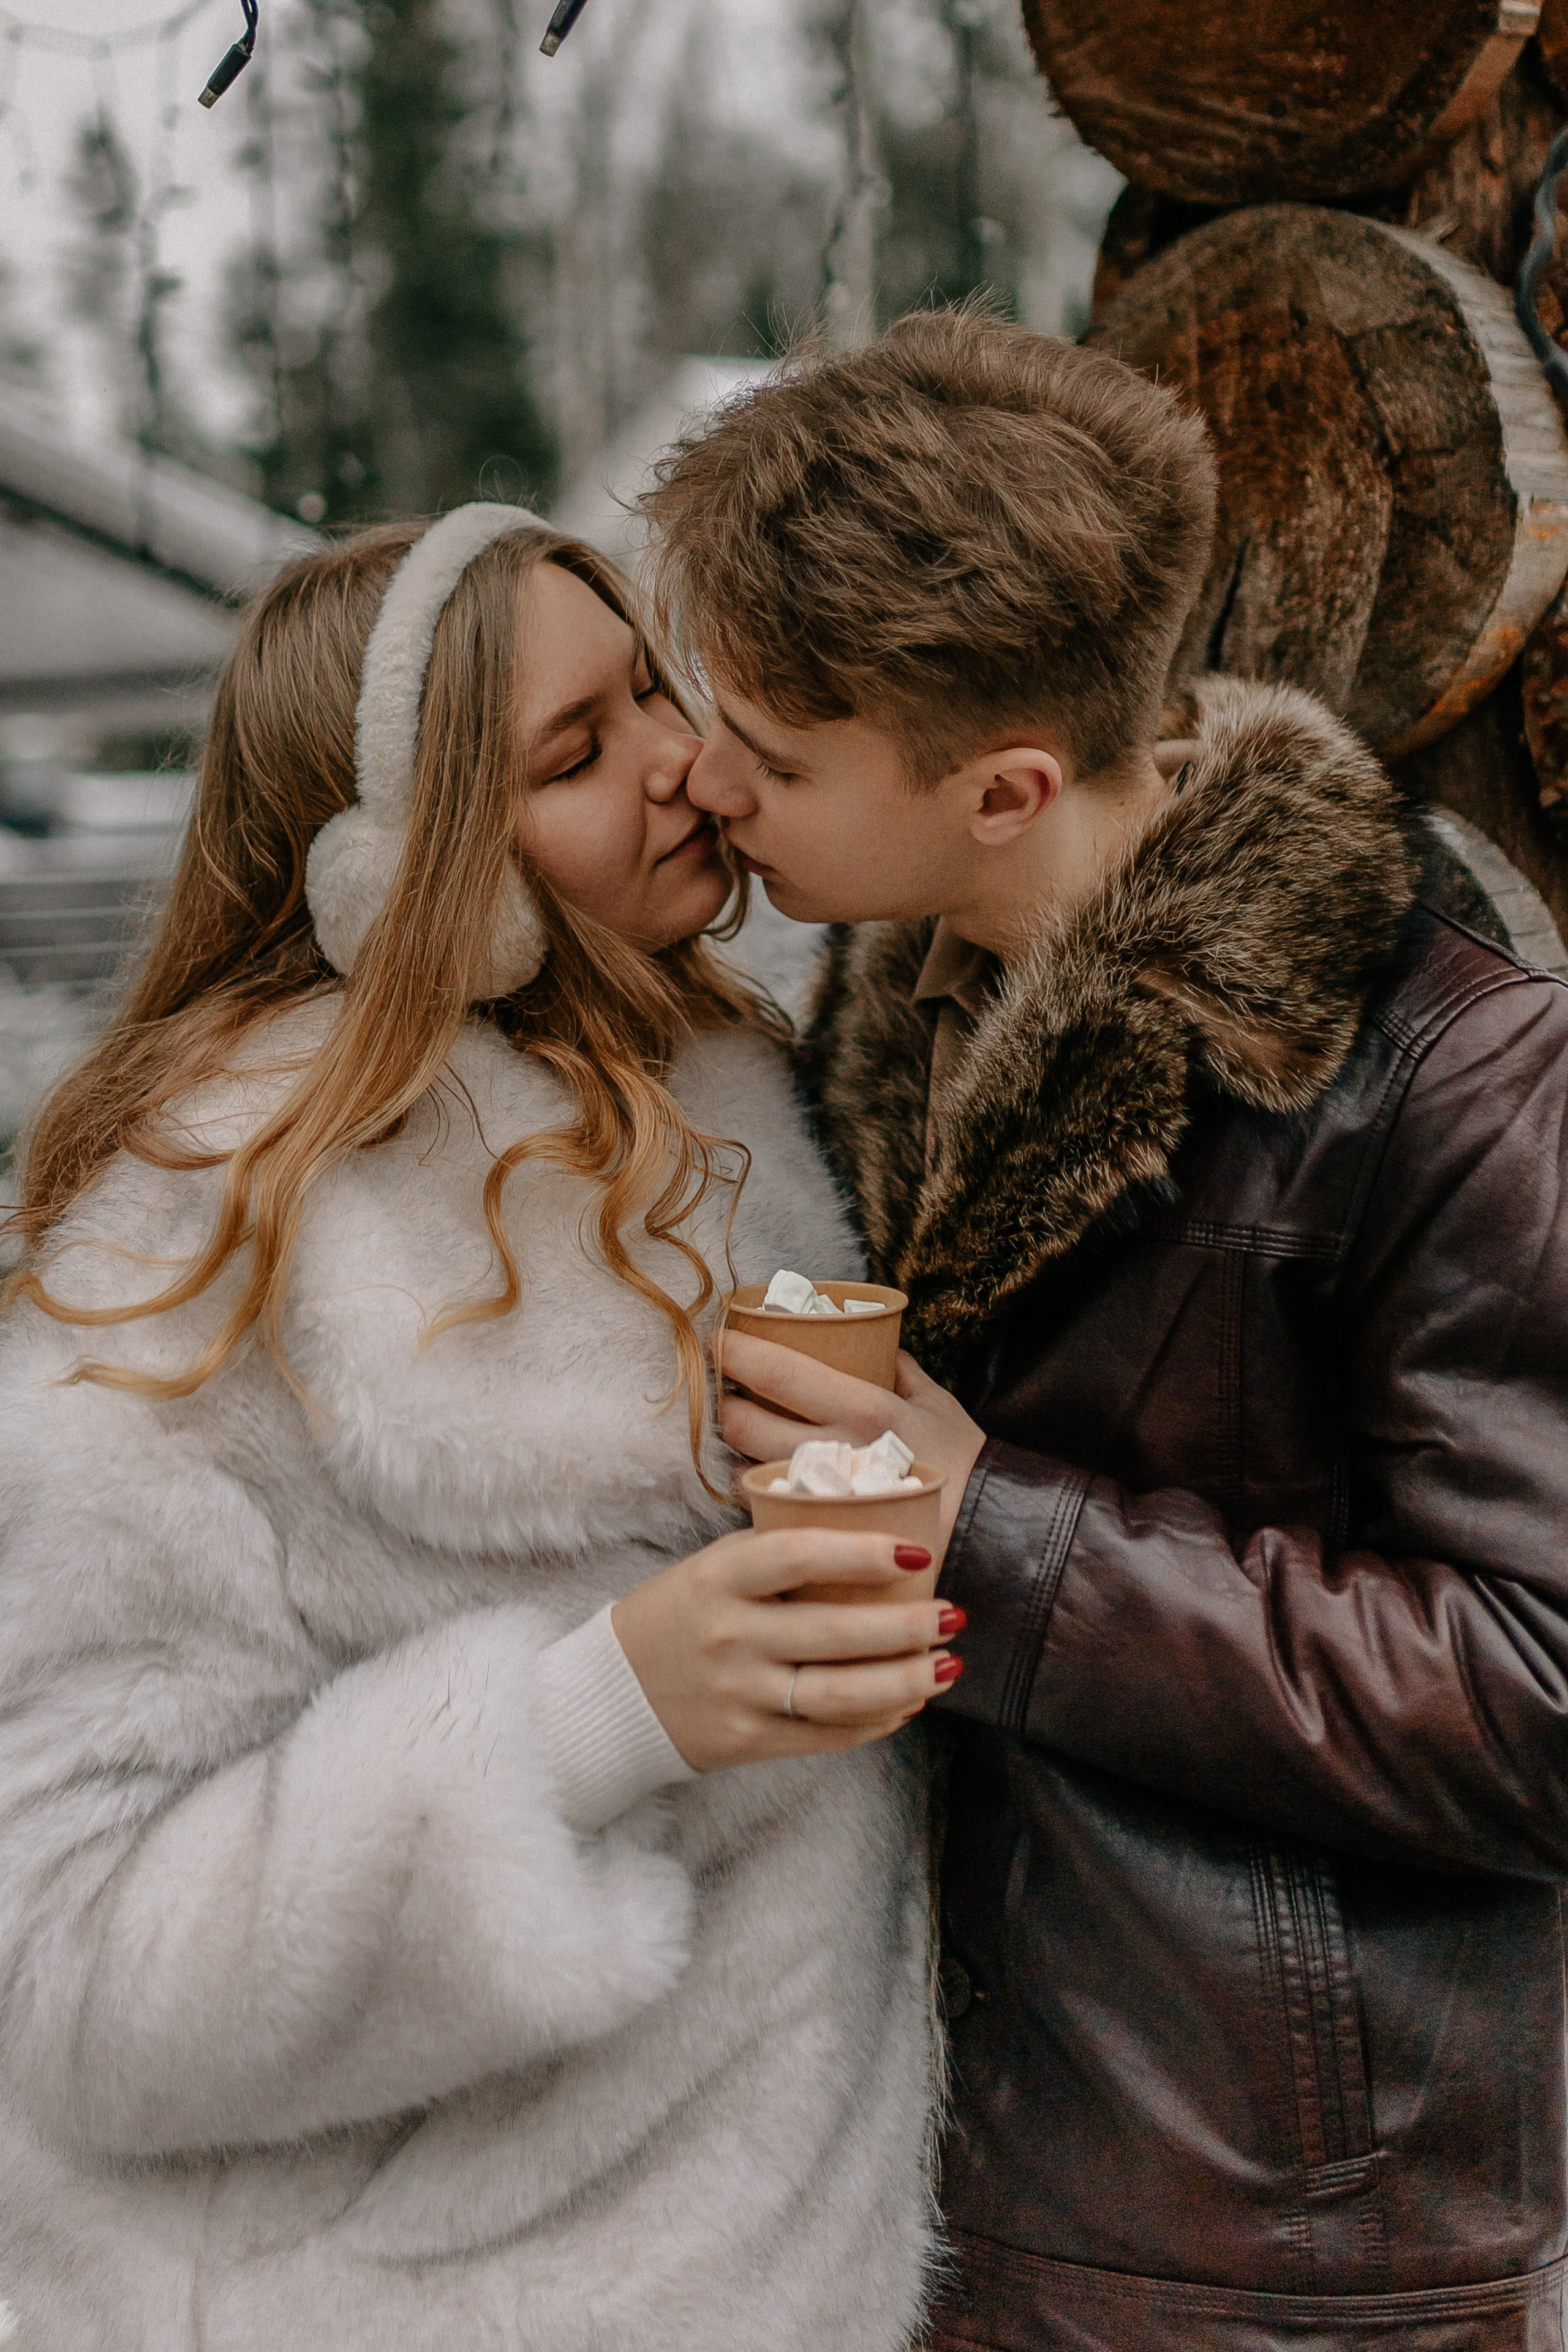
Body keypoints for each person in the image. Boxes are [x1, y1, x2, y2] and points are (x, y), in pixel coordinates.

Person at [643, 312, 1568, 2350]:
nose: (706, 780)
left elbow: (1538, 1701)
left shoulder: (1465, 1077)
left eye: (775, 760)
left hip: (1278, 2264)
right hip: (902, 2189)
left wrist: (987, 1529)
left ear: (1007, 789)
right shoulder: (874, 1008)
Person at [0, 507, 951, 2352]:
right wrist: (596, 1715)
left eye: (655, 689)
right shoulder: (214, 1235)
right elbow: (69, 1964)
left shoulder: (733, 1088)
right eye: (576, 753)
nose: (683, 763)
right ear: (402, 870)